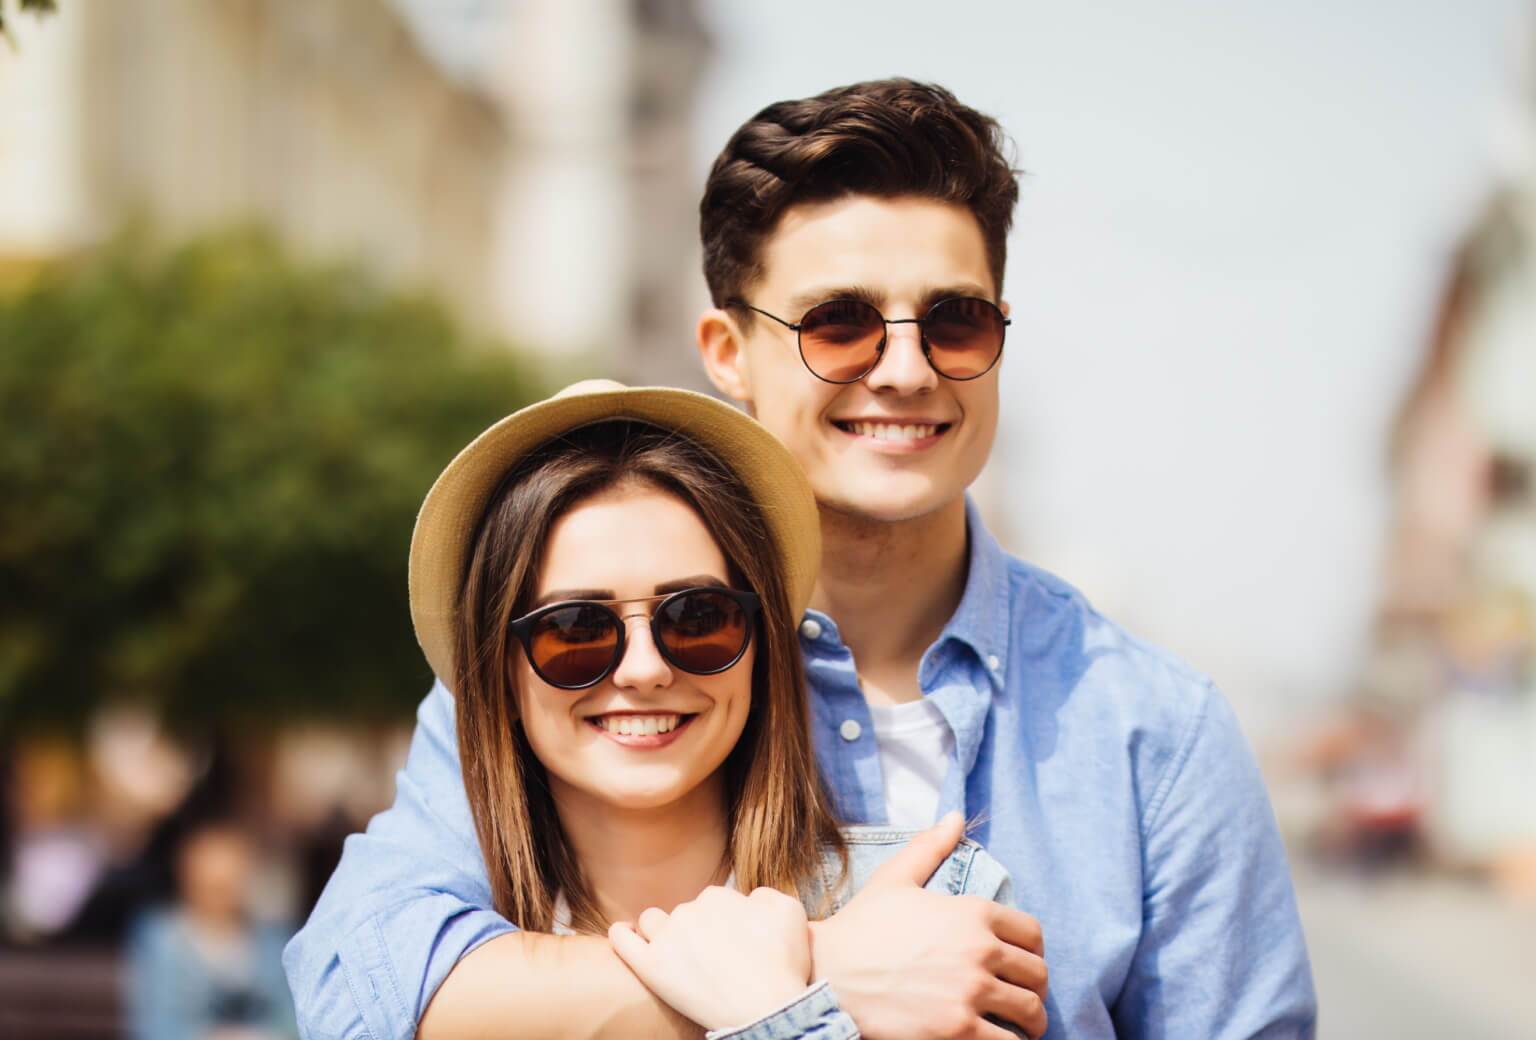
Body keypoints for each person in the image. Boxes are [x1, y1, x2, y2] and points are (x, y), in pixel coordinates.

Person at [286, 79, 1317, 1039]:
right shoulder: (582, 668)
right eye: (840, 324)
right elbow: (356, 986)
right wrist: (829, 971)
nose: (904, 370)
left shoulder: (1155, 731)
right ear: (727, 352)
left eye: (954, 321)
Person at [402, 381, 1023, 1037]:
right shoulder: (426, 969)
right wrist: (812, 978)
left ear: (760, 649)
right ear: (502, 679)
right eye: (576, 629)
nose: (644, 669)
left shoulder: (936, 920)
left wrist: (775, 1012)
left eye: (698, 618)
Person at [127, 820, 296, 1040]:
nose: (220, 896)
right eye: (212, 886)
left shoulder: (272, 941)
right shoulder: (163, 939)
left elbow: (291, 1022)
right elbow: (157, 1027)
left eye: (227, 885)